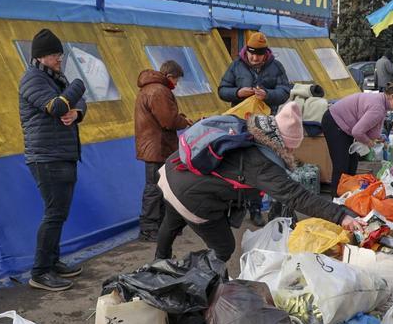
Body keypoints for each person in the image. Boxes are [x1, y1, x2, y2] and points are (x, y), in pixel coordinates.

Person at [154, 103, 367, 262]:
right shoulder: (262, 162)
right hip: (190, 193)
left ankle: (159, 263)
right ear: (284, 143)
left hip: (173, 169)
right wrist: (341, 216)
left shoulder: (251, 129)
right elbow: (297, 196)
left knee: (171, 222)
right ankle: (198, 279)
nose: (291, 152)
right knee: (224, 247)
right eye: (291, 147)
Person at [19, 28, 87, 291]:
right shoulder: (32, 80)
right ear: (40, 57)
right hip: (46, 158)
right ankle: (40, 272)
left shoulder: (55, 78)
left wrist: (78, 112)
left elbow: (75, 102)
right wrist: (78, 86)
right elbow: (57, 106)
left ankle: (53, 261)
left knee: (60, 213)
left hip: (62, 154)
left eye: (60, 54)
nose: (60, 59)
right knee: (54, 214)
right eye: (55, 55)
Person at [218, 32, 291, 226]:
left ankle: (256, 208)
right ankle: (235, 207)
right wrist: (237, 92)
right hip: (239, 124)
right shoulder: (236, 66)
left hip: (264, 125)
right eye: (251, 54)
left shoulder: (276, 67)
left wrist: (267, 94)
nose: (254, 58)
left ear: (265, 53)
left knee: (260, 165)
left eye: (258, 55)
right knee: (236, 165)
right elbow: (222, 90)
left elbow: (285, 92)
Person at [134, 61, 193, 242]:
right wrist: (185, 121)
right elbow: (168, 121)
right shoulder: (159, 91)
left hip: (154, 146)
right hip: (157, 147)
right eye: (176, 80)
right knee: (154, 188)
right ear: (169, 76)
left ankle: (157, 225)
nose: (176, 84)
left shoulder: (150, 88)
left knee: (158, 186)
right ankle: (149, 228)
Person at [321, 84, 393, 194]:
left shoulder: (381, 101)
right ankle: (336, 200)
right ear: (392, 96)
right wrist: (369, 142)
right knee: (342, 165)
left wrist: (378, 137)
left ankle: (346, 195)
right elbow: (357, 131)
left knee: (352, 164)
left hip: (342, 123)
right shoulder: (378, 108)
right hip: (335, 122)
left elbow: (369, 125)